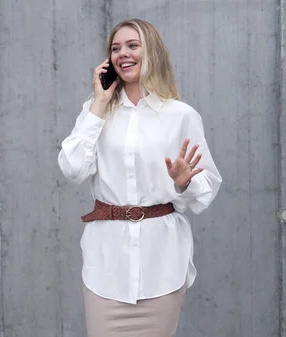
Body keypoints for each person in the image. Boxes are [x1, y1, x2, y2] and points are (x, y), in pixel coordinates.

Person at [57, 18, 222, 337]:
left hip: (161, 266)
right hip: (107, 267)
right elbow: (72, 168)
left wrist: (183, 182)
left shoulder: (180, 116)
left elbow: (205, 190)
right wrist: (99, 104)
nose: (123, 54)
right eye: (115, 48)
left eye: (133, 45)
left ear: (152, 52)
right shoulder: (95, 111)